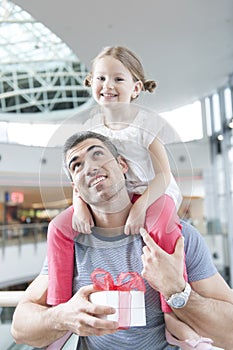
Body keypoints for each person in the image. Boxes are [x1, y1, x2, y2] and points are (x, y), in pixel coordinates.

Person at [46, 46, 209, 348]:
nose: (108, 86)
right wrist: (80, 206)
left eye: (118, 79)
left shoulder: (146, 124)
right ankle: (59, 309)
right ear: (90, 82)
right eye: (101, 78)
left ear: (135, 88)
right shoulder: (91, 126)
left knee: (160, 229)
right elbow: (81, 175)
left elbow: (164, 176)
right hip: (116, 195)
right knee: (57, 228)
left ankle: (173, 312)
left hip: (154, 192)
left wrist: (141, 207)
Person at [11, 131, 233, 350]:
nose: (89, 167)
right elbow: (20, 329)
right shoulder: (69, 244)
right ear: (75, 188)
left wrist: (177, 291)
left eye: (97, 154)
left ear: (122, 165)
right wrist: (62, 317)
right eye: (76, 165)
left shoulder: (178, 238)